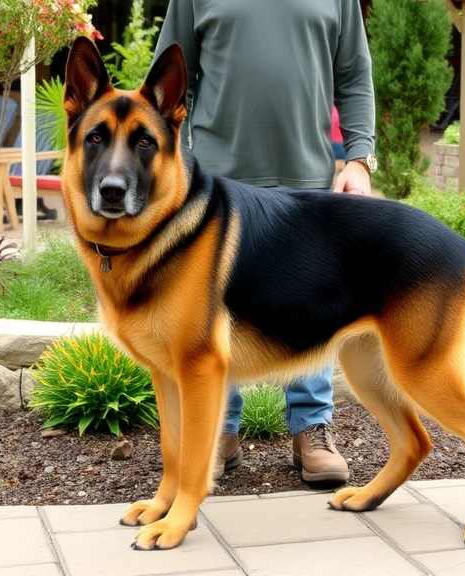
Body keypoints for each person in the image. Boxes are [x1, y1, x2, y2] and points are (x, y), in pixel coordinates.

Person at [154, 0, 377, 484]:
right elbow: (168, 77)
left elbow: (355, 75)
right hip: (214, 182)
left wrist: (359, 158)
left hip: (308, 184)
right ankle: (219, 431)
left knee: (312, 306)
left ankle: (312, 429)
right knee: (211, 314)